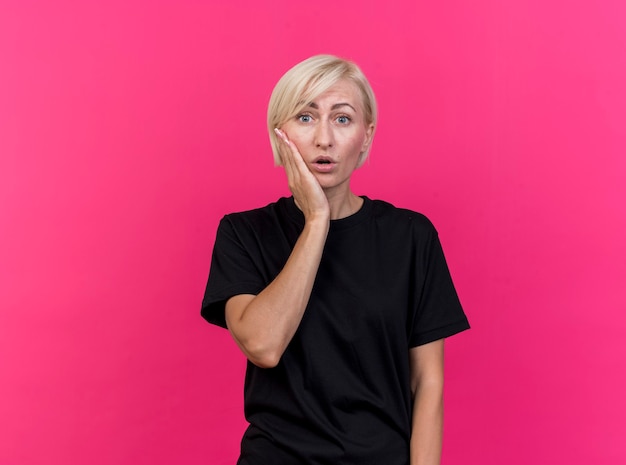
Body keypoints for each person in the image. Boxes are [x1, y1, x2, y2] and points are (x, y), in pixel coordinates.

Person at [201, 54, 470, 465]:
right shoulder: (244, 233)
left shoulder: (411, 237)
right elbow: (264, 345)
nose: (324, 139)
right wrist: (316, 220)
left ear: (366, 135)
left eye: (342, 119)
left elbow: (427, 382)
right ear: (280, 133)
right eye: (306, 118)